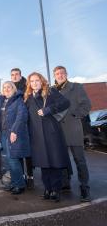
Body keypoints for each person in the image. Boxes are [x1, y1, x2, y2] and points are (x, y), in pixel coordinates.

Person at [25, 72, 71, 202]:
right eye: (32, 81)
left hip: (52, 133)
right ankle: (47, 188)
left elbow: (66, 103)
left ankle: (55, 190)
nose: (34, 83)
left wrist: (49, 109)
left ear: (42, 81)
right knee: (43, 163)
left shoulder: (50, 92)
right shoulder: (28, 97)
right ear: (29, 84)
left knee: (54, 161)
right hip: (37, 135)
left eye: (37, 80)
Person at [53, 66, 92, 202]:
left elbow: (86, 105)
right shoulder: (52, 90)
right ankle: (65, 183)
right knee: (62, 159)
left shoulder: (76, 87)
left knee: (79, 160)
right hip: (58, 131)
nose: (60, 75)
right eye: (57, 73)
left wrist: (76, 114)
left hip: (73, 128)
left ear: (66, 74)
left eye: (62, 73)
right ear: (54, 76)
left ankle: (84, 187)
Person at [0, 81, 30, 195]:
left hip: (13, 134)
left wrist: (14, 130)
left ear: (14, 89)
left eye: (9, 87)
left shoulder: (18, 101)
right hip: (2, 134)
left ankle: (20, 185)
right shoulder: (0, 102)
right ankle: (14, 183)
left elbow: (22, 116)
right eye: (4, 87)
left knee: (13, 159)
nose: (7, 89)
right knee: (8, 160)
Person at [10, 68, 34, 189]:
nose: (14, 77)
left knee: (28, 150)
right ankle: (22, 174)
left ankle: (30, 175)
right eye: (12, 75)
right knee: (18, 149)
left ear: (20, 75)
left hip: (28, 121)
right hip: (15, 123)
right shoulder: (10, 88)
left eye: (16, 75)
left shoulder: (27, 86)